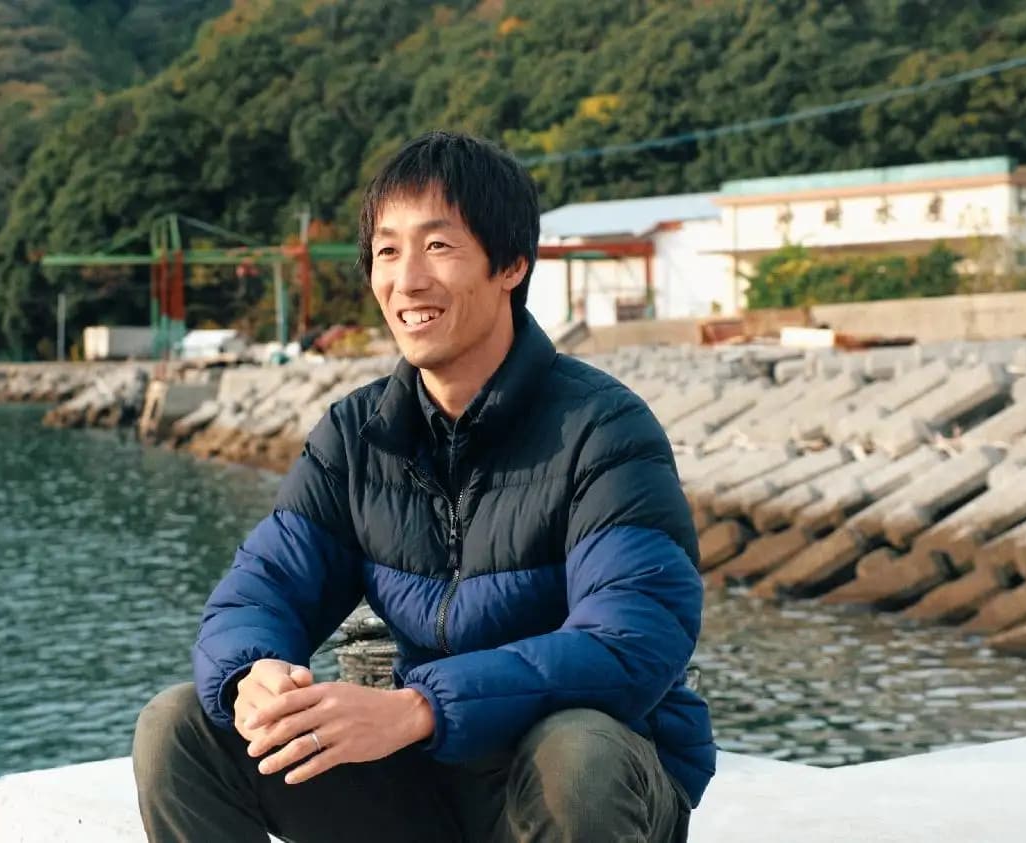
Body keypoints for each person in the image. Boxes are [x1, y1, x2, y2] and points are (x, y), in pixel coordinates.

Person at [133, 130, 714, 842]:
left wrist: (421, 707)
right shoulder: (356, 437)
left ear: (511, 264)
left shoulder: (603, 429)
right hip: (428, 775)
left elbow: (630, 640)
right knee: (181, 726)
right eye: (387, 251)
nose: (406, 280)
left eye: (438, 246)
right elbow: (263, 588)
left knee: (577, 753)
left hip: (585, 774)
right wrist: (251, 675)